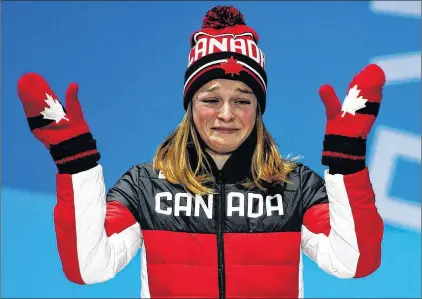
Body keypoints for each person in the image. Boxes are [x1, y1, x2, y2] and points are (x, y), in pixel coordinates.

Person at [16, 5, 385, 299]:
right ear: (190, 105)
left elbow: (354, 262)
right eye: (211, 99)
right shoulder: (146, 185)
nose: (226, 114)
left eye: (242, 100)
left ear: (258, 110)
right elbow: (87, 267)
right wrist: (75, 160)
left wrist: (346, 159)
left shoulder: (294, 187)